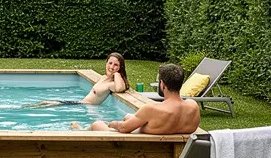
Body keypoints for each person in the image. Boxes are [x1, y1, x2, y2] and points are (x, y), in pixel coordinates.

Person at [71, 63, 200, 134]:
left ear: (162, 84)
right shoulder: (192, 106)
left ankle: (80, 131)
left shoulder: (152, 109)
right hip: (161, 138)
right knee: (128, 116)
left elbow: (123, 129)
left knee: (97, 124)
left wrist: (110, 123)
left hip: (141, 147)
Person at [25, 52, 129, 108]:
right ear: (106, 63)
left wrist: (117, 74)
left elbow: (120, 88)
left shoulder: (110, 84)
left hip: (84, 105)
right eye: (110, 63)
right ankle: (26, 107)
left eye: (116, 65)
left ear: (120, 67)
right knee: (45, 102)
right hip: (81, 103)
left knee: (51, 104)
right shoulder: (104, 78)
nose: (111, 66)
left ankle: (25, 109)